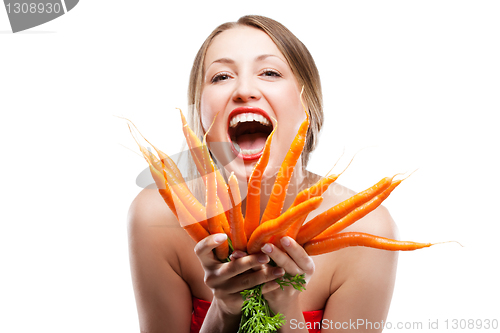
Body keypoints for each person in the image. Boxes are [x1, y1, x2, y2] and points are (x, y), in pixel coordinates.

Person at [128, 15, 398, 333]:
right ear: (200, 115)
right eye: (221, 76)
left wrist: (285, 306)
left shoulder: (367, 228)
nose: (244, 90)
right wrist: (225, 308)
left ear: (308, 105)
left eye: (270, 72)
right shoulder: (156, 216)